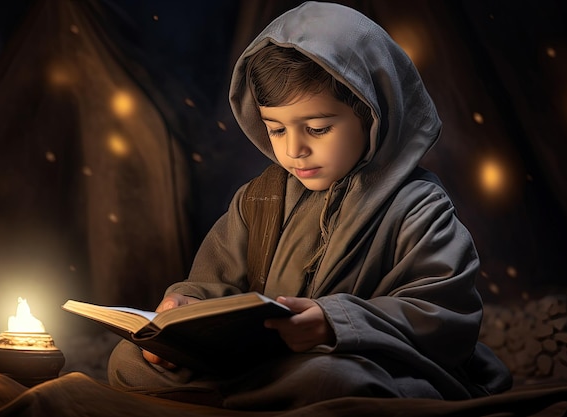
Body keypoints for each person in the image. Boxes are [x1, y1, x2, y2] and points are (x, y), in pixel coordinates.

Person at [107, 1, 512, 410]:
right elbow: (216, 284)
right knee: (128, 361)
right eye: (276, 130)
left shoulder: (419, 208)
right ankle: (254, 397)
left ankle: (236, 401)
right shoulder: (259, 199)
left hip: (366, 364)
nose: (294, 150)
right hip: (268, 364)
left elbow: (444, 315)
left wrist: (334, 323)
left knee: (330, 379)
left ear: (372, 113)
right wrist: (183, 310)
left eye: (317, 128)